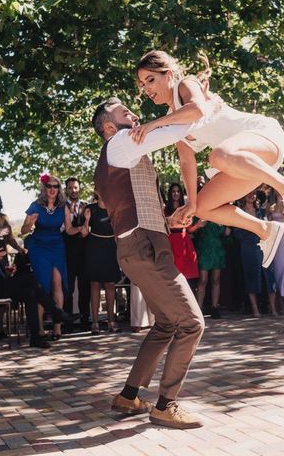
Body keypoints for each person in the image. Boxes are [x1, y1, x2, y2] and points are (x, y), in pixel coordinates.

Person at [131, 50, 284, 268]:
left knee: (218, 156)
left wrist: (152, 125)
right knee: (204, 208)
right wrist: (191, 205)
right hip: (247, 163)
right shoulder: (172, 120)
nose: (147, 89)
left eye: (150, 80)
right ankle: (265, 230)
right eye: (142, 84)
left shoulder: (185, 85)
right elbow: (187, 161)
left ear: (168, 75)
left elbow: (197, 109)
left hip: (264, 135)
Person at [89, 97, 205, 429]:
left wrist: (168, 219)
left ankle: (129, 395)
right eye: (126, 112)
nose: (135, 115)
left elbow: (136, 200)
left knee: (167, 324)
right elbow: (178, 128)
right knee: (192, 323)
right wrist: (188, 104)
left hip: (141, 244)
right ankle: (166, 405)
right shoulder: (121, 142)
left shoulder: (122, 152)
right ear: (110, 126)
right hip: (143, 246)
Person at [0, 215, 76, 349]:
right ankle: (57, 312)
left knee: (29, 292)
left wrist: (7, 270)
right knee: (28, 278)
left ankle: (36, 338)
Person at [21, 174, 69, 340]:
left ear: (59, 189)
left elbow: (69, 230)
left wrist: (85, 227)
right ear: (44, 188)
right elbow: (23, 230)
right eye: (49, 186)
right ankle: (39, 329)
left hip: (57, 245)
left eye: (56, 186)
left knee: (57, 283)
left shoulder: (64, 206)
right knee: (42, 286)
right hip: (39, 246)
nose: (52, 189)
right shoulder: (36, 205)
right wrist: (30, 223)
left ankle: (57, 328)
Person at [82, 193, 122, 335]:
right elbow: (83, 233)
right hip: (94, 247)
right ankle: (95, 323)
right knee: (95, 284)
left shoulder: (115, 208)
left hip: (111, 247)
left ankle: (111, 321)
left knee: (110, 284)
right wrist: (86, 220)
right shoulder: (90, 208)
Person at [233, 191, 269, 318]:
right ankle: (254, 309)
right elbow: (236, 233)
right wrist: (252, 230)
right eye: (248, 193)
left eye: (253, 193)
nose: (251, 195)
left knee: (266, 276)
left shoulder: (261, 212)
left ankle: (268, 306)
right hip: (247, 247)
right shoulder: (239, 212)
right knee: (251, 276)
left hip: (262, 247)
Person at [62, 177, 91, 330]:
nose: (73, 190)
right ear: (66, 189)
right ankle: (67, 323)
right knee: (68, 288)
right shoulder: (61, 207)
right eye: (70, 188)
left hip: (84, 253)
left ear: (79, 189)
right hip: (67, 252)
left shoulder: (86, 206)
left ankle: (85, 320)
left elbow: (88, 229)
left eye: (75, 187)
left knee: (84, 287)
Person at [192, 216, 227, 319]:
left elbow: (226, 233)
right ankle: (199, 308)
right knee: (203, 280)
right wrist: (198, 225)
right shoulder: (200, 214)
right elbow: (193, 231)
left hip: (217, 249)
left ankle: (214, 307)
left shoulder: (219, 215)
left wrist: (228, 226)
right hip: (204, 248)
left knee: (216, 280)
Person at [164, 183, 199, 284]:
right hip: (171, 241)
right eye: (173, 191)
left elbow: (189, 229)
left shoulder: (185, 208)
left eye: (178, 191)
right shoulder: (165, 209)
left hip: (184, 241)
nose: (176, 193)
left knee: (186, 273)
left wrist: (198, 225)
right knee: (172, 273)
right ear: (170, 193)